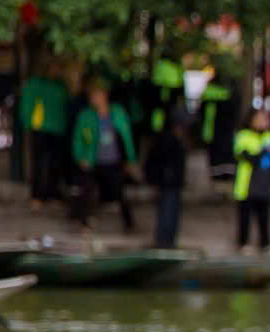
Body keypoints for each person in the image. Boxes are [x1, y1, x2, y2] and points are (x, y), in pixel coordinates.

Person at [69, 82, 136, 232]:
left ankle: (129, 223)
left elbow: (126, 137)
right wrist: (80, 157)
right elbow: (78, 138)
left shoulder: (117, 113)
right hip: (93, 160)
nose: (94, 99)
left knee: (120, 193)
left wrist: (130, 159)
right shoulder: (86, 116)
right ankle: (83, 222)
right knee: (86, 192)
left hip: (113, 160)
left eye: (97, 95)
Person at [20, 56, 69, 211]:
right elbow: (27, 105)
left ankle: (52, 193)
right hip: (40, 127)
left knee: (55, 163)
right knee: (39, 162)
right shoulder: (35, 84)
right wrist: (27, 123)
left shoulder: (59, 86)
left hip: (57, 128)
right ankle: (37, 195)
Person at [232, 109, 270, 253]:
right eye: (259, 119)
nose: (263, 122)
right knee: (244, 217)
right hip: (246, 185)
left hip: (263, 184)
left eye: (265, 119)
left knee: (264, 216)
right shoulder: (243, 136)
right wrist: (266, 150)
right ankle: (243, 243)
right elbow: (249, 158)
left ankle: (265, 244)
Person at [144, 107, 187, 249]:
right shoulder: (167, 139)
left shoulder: (176, 139)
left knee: (171, 213)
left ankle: (168, 242)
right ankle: (164, 243)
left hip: (173, 183)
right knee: (167, 213)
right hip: (167, 183)